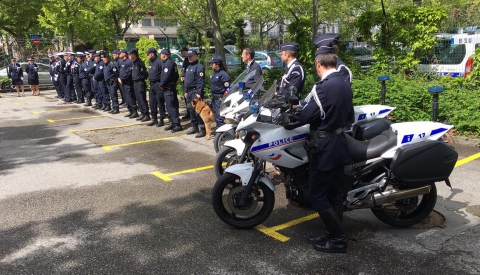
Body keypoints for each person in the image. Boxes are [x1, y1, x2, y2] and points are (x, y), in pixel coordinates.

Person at [294, 35, 353, 254]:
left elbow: (306, 116)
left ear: (319, 63)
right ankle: (333, 233)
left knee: (317, 195)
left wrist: (291, 118)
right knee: (335, 194)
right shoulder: (344, 83)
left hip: (324, 146)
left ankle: (338, 239)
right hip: (339, 143)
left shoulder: (323, 87)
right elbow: (350, 115)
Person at [159, 48, 183, 132]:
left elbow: (166, 76)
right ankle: (172, 122)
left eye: (161, 54)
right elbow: (176, 75)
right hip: (170, 87)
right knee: (169, 106)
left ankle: (177, 124)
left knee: (171, 106)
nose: (160, 56)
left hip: (168, 88)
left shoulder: (168, 63)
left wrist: (162, 84)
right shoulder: (171, 63)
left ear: (163, 55)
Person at [183, 49, 206, 138]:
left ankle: (202, 129)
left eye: (191, 56)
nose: (189, 57)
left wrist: (198, 92)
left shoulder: (199, 67)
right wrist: (185, 91)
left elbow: (200, 81)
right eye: (188, 56)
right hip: (189, 92)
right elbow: (186, 81)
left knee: (198, 111)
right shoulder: (188, 67)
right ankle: (194, 127)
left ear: (196, 56)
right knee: (191, 110)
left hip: (195, 91)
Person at [146, 47, 167, 127]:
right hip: (152, 85)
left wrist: (162, 84)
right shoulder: (150, 62)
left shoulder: (159, 62)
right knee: (152, 103)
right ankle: (154, 119)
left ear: (152, 54)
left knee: (160, 102)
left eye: (148, 54)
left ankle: (161, 119)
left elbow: (163, 74)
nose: (147, 56)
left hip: (158, 84)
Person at [129, 48, 151, 122]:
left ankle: (146, 114)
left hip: (140, 82)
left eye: (131, 54)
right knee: (138, 99)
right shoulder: (133, 63)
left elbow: (145, 74)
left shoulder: (139, 63)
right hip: (135, 83)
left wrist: (140, 79)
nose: (130, 56)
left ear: (134, 55)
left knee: (142, 99)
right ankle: (142, 113)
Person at [208, 56, 230, 128]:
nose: (211, 65)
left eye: (212, 63)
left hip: (220, 99)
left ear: (217, 64)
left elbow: (228, 88)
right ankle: (220, 135)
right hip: (214, 99)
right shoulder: (214, 74)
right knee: (216, 118)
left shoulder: (223, 75)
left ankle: (224, 135)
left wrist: (223, 98)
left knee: (219, 118)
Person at [118, 49, 139, 118]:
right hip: (123, 83)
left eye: (120, 53)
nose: (119, 54)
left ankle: (134, 111)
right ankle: (130, 111)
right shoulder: (123, 62)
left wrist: (122, 78)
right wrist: (119, 78)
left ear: (124, 54)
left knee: (130, 97)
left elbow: (128, 73)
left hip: (128, 83)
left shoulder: (129, 62)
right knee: (126, 98)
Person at [179, 46, 190, 120]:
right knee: (186, 98)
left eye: (182, 51)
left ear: (186, 51)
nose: (181, 53)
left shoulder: (189, 60)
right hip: (185, 82)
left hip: (188, 82)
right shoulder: (185, 60)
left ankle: (191, 113)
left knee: (189, 98)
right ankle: (188, 112)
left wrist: (185, 76)